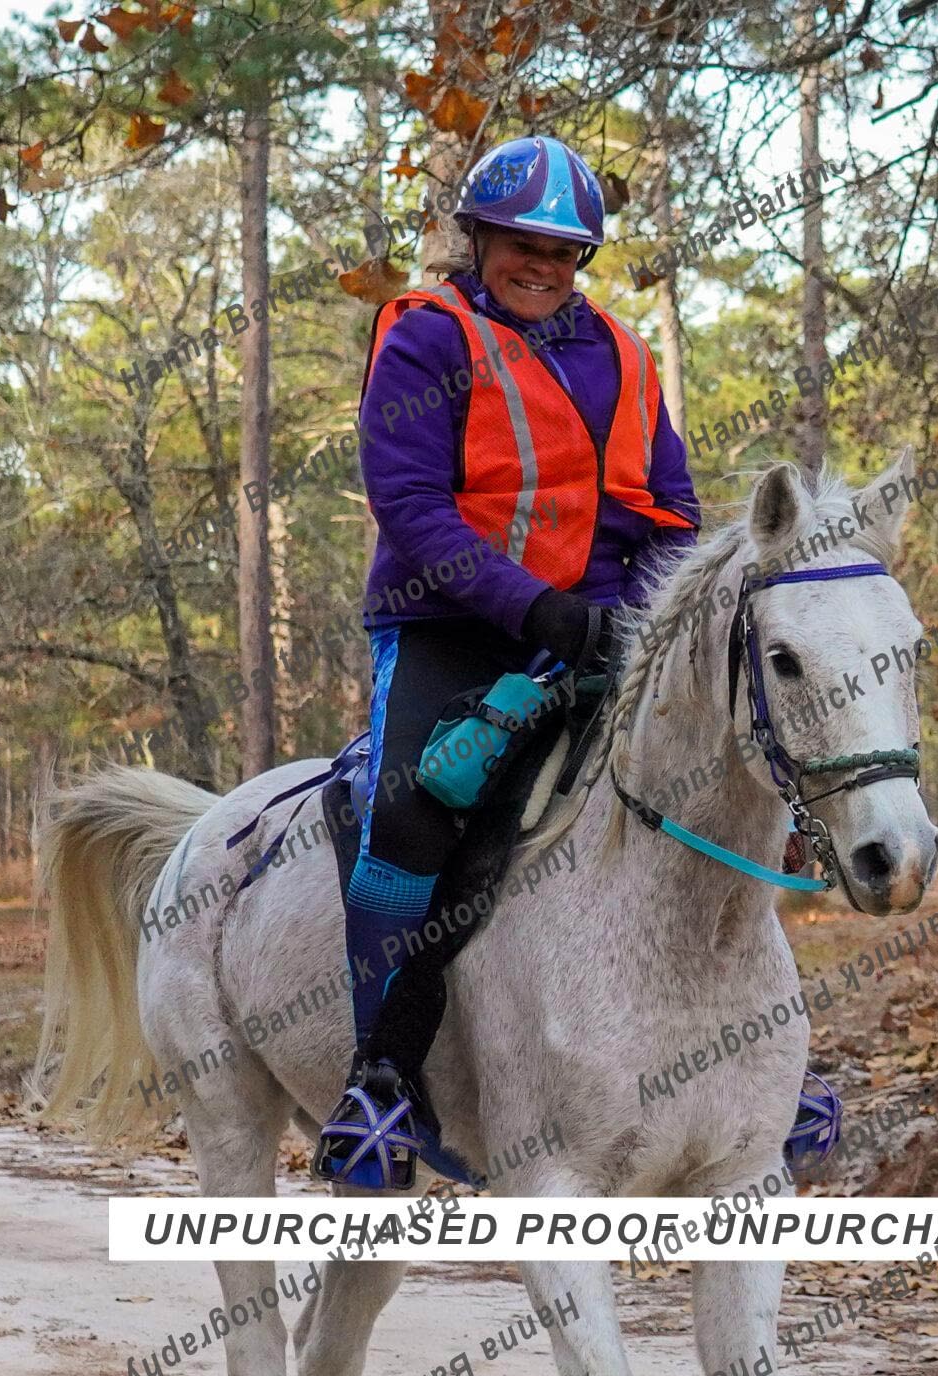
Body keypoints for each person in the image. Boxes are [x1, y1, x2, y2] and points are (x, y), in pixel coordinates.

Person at [318, 135, 700, 1190]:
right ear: (477, 239)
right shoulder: (425, 337)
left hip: (603, 628)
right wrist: (531, 607)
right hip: (449, 623)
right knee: (413, 811)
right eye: (523, 245)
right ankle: (380, 1080)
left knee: (713, 781)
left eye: (564, 252)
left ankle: (753, 1064)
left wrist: (633, 616)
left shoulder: (623, 355)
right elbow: (411, 506)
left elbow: (671, 508)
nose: (543, 266)